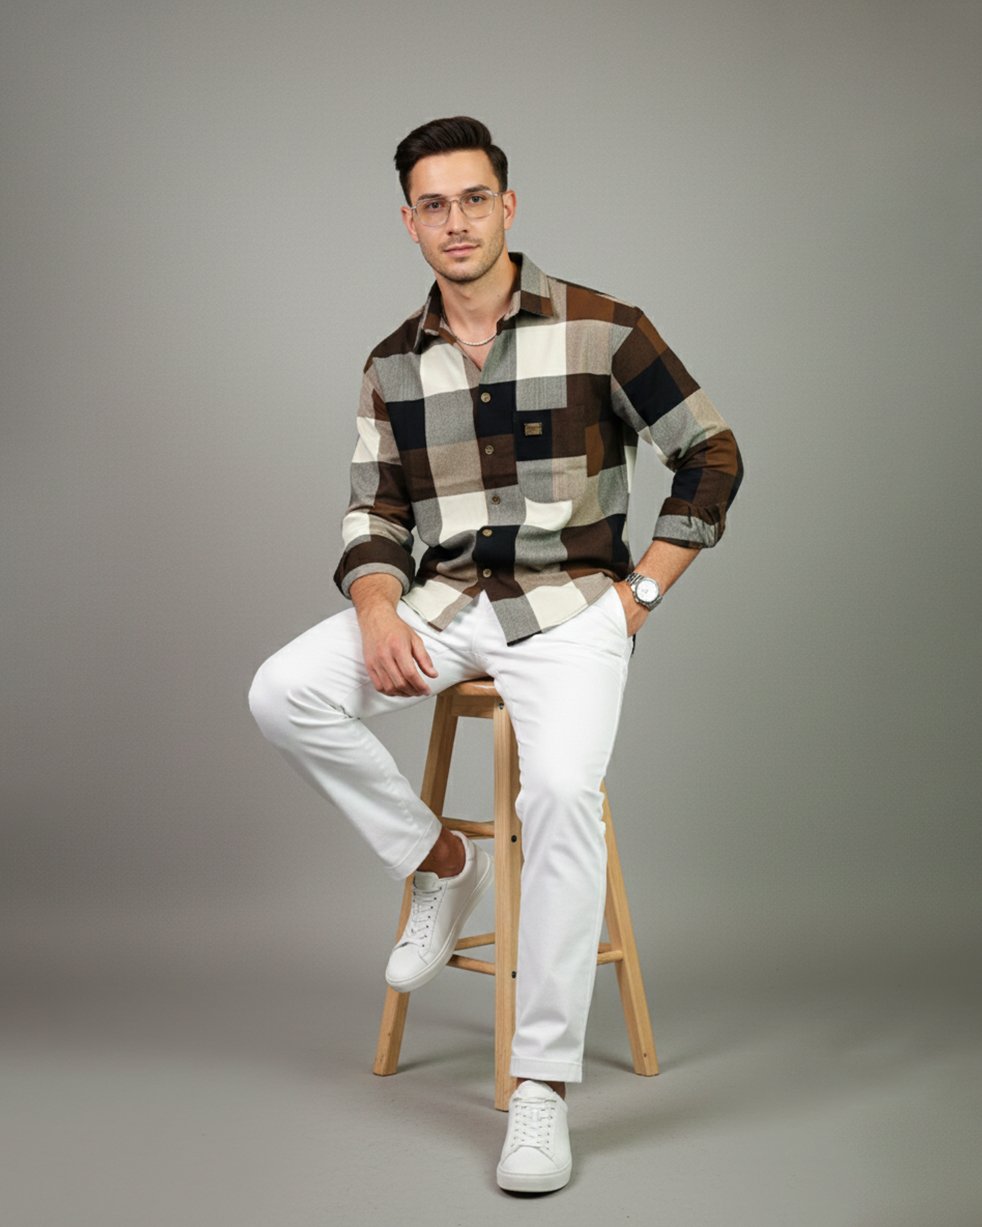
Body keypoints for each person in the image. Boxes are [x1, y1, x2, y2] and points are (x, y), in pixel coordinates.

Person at [248, 115, 743, 1194]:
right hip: (445, 604)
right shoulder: (391, 362)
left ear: (507, 205)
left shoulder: (603, 328)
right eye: (434, 205)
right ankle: (442, 863)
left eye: (474, 199)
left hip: (573, 607)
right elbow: (374, 511)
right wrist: (377, 606)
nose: (457, 222)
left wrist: (641, 593)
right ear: (409, 222)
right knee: (281, 693)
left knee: (560, 792)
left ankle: (540, 1085)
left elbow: (710, 452)